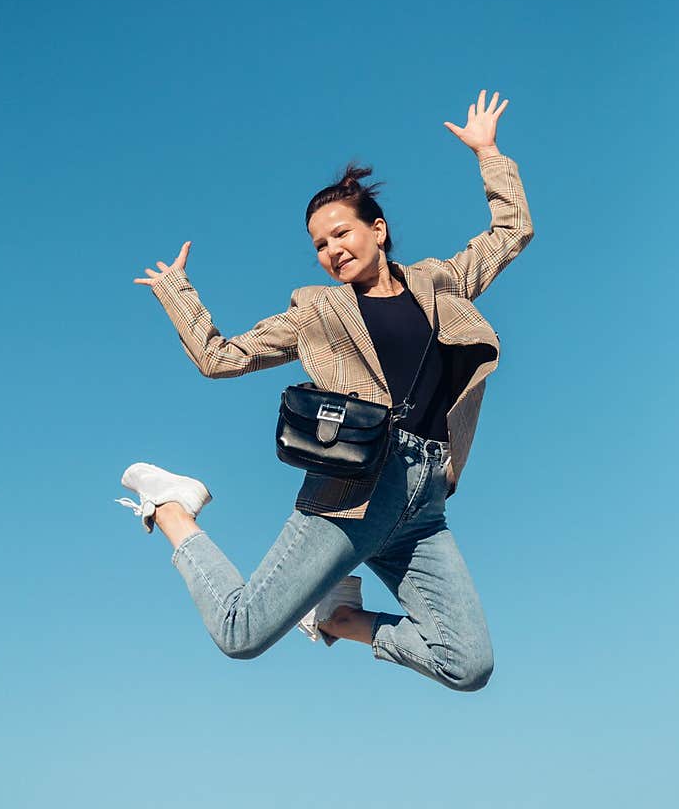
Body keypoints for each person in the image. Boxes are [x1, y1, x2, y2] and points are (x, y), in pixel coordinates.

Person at [116, 89, 533, 691]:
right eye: (319, 244)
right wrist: (178, 293)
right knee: (242, 633)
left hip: (425, 500)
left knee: (467, 663)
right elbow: (219, 357)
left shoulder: (438, 282)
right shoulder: (317, 311)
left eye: (342, 234)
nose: (332, 250)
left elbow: (511, 229)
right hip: (352, 493)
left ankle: (340, 617)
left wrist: (488, 153)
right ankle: (171, 504)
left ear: (378, 230)